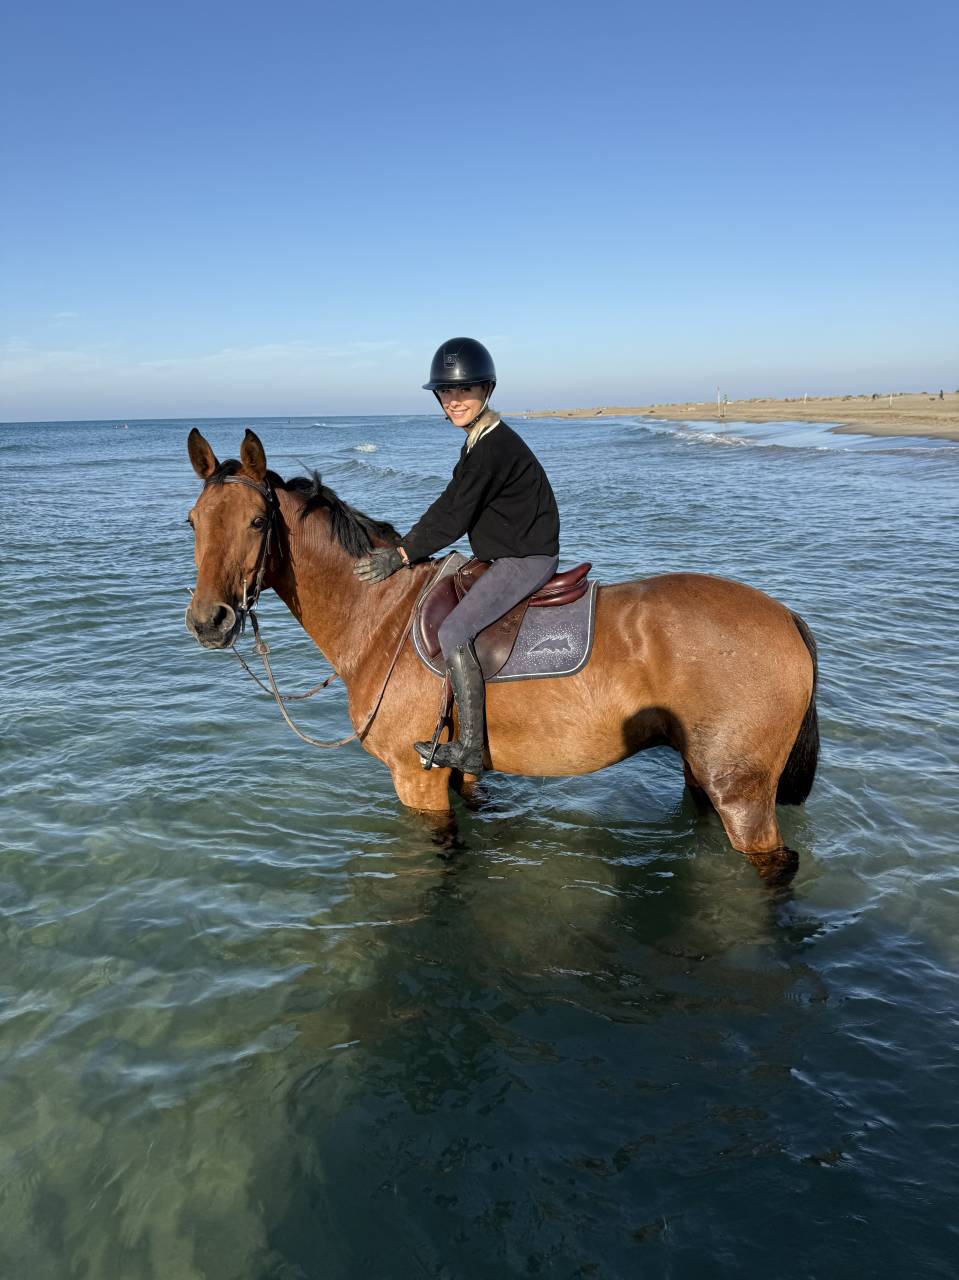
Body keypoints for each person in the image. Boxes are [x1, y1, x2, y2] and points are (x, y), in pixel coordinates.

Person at [353, 337, 560, 775]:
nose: (454, 400)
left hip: (524, 558)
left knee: (454, 631)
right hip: (506, 551)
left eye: (465, 391)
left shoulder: (492, 447)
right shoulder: (479, 441)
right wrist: (405, 545)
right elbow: (450, 502)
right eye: (446, 392)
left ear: (486, 390)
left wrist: (403, 554)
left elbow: (454, 516)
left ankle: (469, 747)